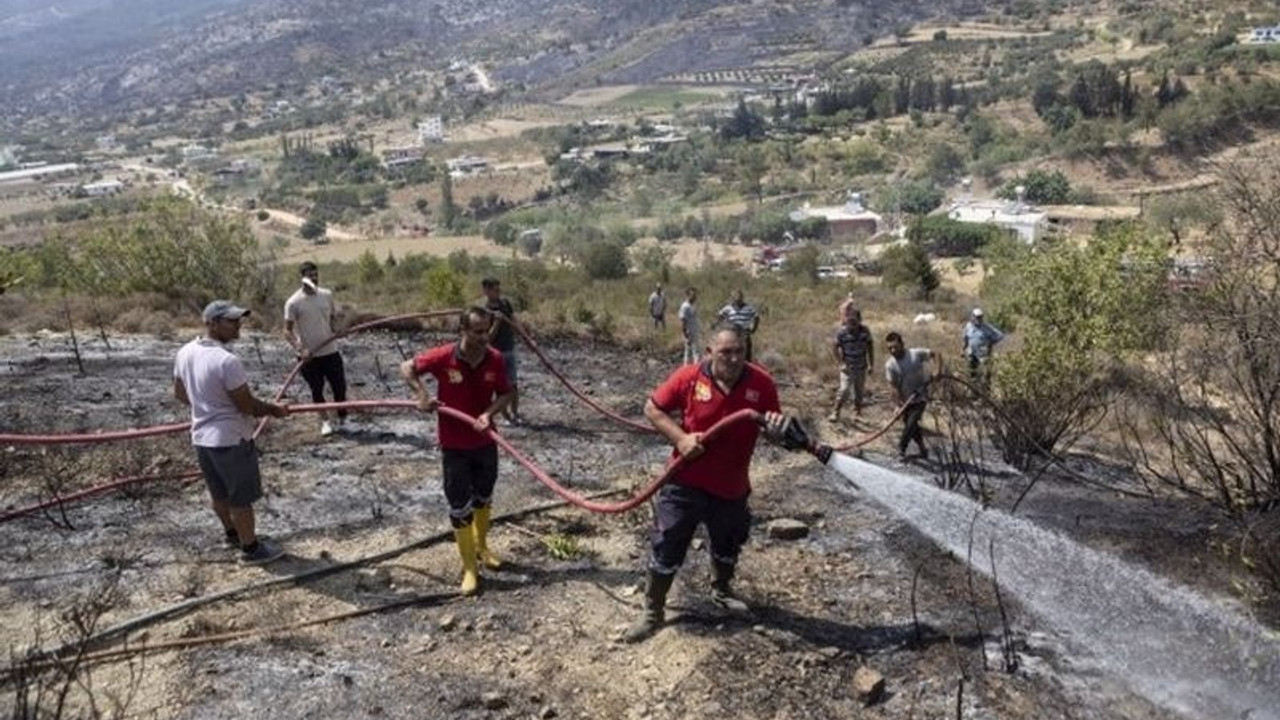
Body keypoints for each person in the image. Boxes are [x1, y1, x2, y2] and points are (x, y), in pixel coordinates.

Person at [624, 326, 789, 643]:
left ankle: (721, 591)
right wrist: (680, 438)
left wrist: (777, 430)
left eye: (740, 351)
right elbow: (652, 408)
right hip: (685, 482)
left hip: (731, 486)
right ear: (709, 352)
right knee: (668, 541)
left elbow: (770, 428)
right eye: (726, 351)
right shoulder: (688, 378)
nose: (734, 358)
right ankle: (653, 611)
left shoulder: (762, 383)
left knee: (728, 542)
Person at [400, 307, 514, 596]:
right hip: (454, 448)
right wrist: (422, 395)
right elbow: (406, 367)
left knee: (484, 497)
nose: (483, 337)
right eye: (476, 331)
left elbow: (506, 393)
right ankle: (469, 569)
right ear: (461, 330)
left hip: (485, 443)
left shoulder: (495, 359)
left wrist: (489, 414)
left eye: (486, 330)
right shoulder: (443, 357)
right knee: (459, 504)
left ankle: (482, 547)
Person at [173, 300, 289, 565]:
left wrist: (207, 406)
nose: (238, 326)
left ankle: (232, 534)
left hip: (202, 438)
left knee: (219, 493)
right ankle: (251, 550)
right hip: (231, 439)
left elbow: (179, 393)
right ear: (212, 323)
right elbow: (246, 404)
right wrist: (275, 409)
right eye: (231, 321)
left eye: (239, 320)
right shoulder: (227, 361)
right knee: (241, 498)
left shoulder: (185, 352)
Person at [284, 261, 348, 436]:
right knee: (316, 389)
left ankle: (343, 418)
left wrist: (338, 329)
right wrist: (300, 348)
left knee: (339, 386)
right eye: (310, 276)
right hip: (309, 356)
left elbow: (332, 319)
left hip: (331, 351)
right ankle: (325, 422)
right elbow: (287, 331)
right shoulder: (293, 302)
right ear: (302, 278)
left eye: (316, 275)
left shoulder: (326, 295)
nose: (314, 278)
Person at [884, 332, 940, 461]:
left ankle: (901, 448)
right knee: (912, 427)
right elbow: (893, 387)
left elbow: (936, 354)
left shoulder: (915, 354)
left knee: (911, 423)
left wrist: (937, 371)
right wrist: (897, 406)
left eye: (895, 347)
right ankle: (923, 450)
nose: (893, 350)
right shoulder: (890, 365)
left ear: (902, 345)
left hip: (920, 396)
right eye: (890, 348)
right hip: (905, 400)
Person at [481, 277, 522, 425]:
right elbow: (488, 338)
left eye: (499, 289)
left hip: (509, 348)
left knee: (514, 384)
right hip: (496, 354)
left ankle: (516, 413)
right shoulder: (484, 311)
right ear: (486, 291)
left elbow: (514, 321)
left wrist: (525, 335)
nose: (498, 292)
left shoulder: (505, 303)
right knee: (502, 387)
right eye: (494, 290)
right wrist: (497, 321)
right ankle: (506, 417)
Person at [829, 308, 874, 422]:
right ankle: (836, 412)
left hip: (861, 367)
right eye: (850, 322)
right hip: (848, 368)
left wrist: (871, 364)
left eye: (854, 322)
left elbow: (870, 346)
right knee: (844, 390)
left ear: (859, 320)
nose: (852, 325)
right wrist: (841, 363)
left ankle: (857, 413)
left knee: (859, 392)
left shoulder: (865, 331)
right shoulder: (842, 332)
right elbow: (834, 346)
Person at [962, 308, 1004, 388]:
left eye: (980, 317)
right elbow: (965, 338)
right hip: (971, 353)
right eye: (977, 317)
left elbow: (1000, 335)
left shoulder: (987, 327)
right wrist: (963, 349)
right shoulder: (968, 326)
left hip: (983, 355)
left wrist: (990, 343)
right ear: (973, 317)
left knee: (985, 374)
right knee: (972, 373)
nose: (979, 319)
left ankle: (985, 392)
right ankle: (972, 392)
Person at [717, 290, 760, 362]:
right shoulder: (728, 308)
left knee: (746, 354)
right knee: (732, 354)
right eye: (735, 297)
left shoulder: (748, 308)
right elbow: (719, 316)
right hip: (732, 334)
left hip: (744, 334)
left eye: (739, 297)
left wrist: (753, 329)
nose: (737, 299)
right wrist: (723, 327)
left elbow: (756, 317)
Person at [678, 287, 700, 365]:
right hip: (689, 331)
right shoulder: (685, 306)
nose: (694, 297)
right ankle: (687, 367)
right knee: (689, 350)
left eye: (695, 295)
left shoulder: (693, 305)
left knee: (695, 350)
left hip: (695, 330)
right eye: (692, 295)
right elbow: (683, 320)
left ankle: (694, 366)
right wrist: (685, 332)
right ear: (688, 296)